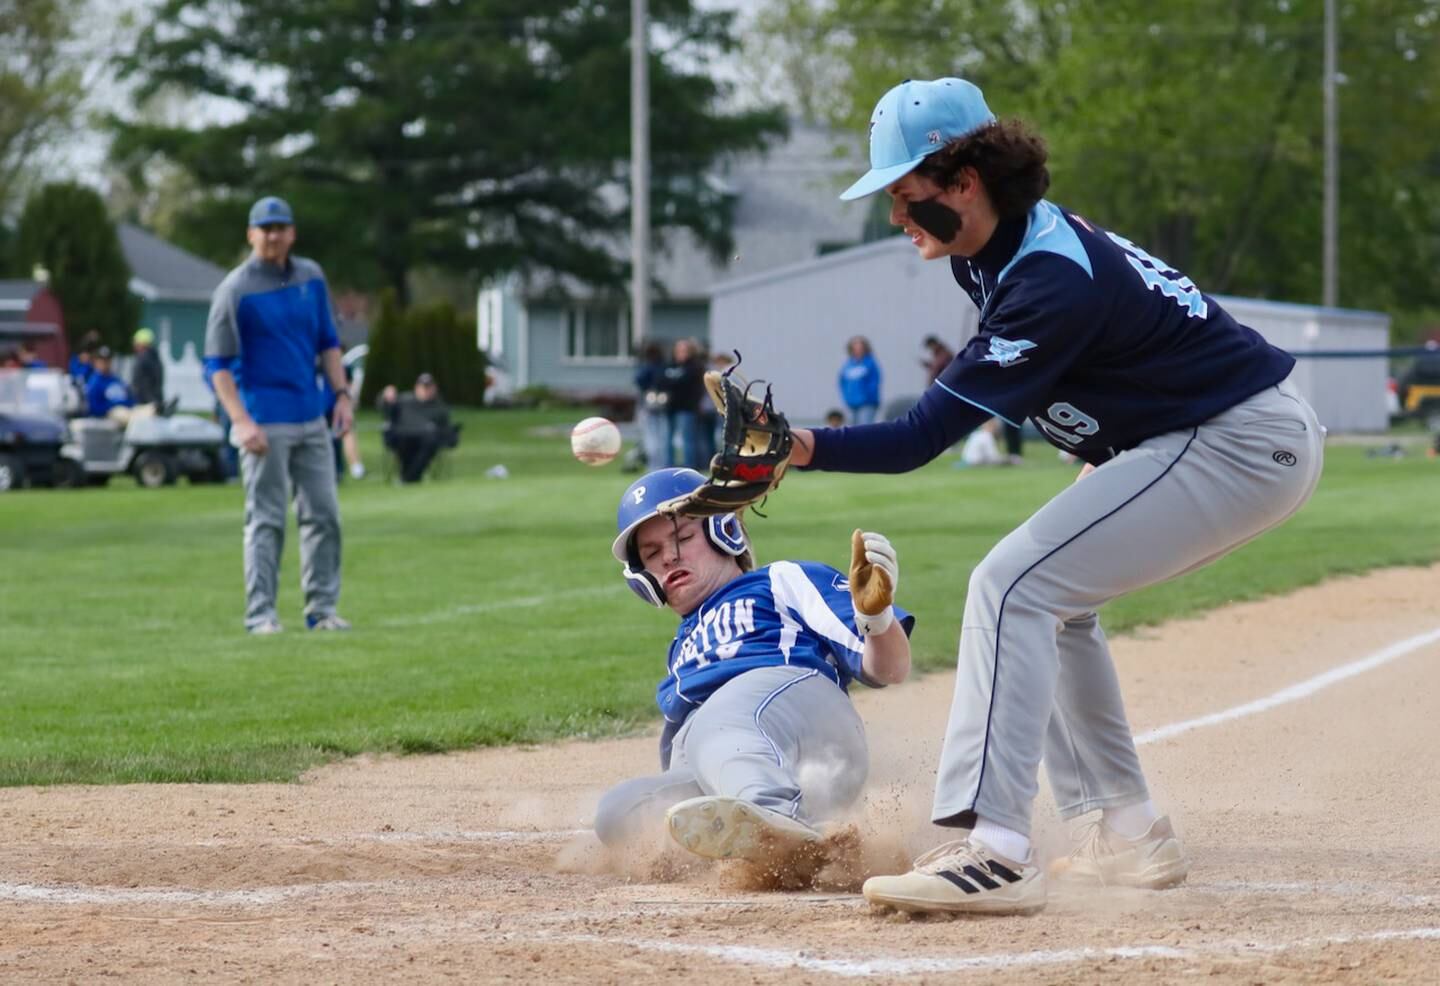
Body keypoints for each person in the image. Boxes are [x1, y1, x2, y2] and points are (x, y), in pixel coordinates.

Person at [774, 77, 1324, 915]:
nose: (896, 218)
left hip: (1236, 440)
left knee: (1011, 585)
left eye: (905, 196)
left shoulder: (1045, 279)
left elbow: (920, 437)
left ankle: (994, 848)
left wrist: (798, 446)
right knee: (1053, 600)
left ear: (965, 183)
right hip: (1213, 435)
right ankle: (1133, 831)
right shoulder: (997, 252)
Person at [594, 467, 913, 867]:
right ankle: (795, 843)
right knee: (620, 810)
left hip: (803, 720)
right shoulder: (681, 649)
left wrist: (876, 619)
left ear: (724, 531)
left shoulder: (779, 580)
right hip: (741, 760)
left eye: (684, 537)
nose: (670, 556)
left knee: (720, 722)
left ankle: (778, 823)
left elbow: (890, 669)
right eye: (653, 553)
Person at [204, 195, 352, 635]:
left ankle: (321, 610)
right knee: (267, 519)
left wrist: (341, 394)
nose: (273, 236)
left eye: (280, 227)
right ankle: (261, 615)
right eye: (264, 228)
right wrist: (240, 420)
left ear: (292, 233)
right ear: (251, 234)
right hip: (264, 420)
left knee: (324, 514)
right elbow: (216, 365)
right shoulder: (235, 289)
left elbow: (328, 342)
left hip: (311, 416)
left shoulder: (311, 277)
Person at [378, 373, 456, 484]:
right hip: (403, 436)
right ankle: (408, 477)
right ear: (416, 387)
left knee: (430, 442)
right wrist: (386, 399)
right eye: (423, 387)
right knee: (403, 440)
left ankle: (409, 477)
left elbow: (445, 428)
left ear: (434, 388)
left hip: (427, 439)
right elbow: (387, 411)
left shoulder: (439, 406)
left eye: (428, 387)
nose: (426, 391)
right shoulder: (403, 400)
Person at [661, 338, 705, 470]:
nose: (681, 353)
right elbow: (661, 381)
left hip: (687, 408)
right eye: (678, 350)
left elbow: (687, 384)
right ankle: (668, 467)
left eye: (684, 350)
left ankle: (689, 467)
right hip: (671, 407)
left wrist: (674, 381)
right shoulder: (670, 365)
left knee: (688, 440)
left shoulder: (695, 367)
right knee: (668, 438)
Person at [634, 341, 670, 468]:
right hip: (662, 403)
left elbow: (638, 380)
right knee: (662, 437)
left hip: (649, 404)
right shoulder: (665, 367)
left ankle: (653, 465)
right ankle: (661, 464)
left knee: (651, 437)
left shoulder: (646, 367)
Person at [838, 336, 882, 425]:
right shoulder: (848, 365)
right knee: (851, 429)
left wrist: (866, 396)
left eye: (860, 348)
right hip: (851, 403)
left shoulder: (870, 363)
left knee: (864, 427)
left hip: (867, 403)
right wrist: (846, 397)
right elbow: (842, 382)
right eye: (855, 347)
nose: (857, 350)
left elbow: (874, 383)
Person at [84, 347, 137, 421]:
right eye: (102, 361)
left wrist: (124, 403)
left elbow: (131, 399)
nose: (105, 363)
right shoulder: (94, 382)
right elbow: (94, 408)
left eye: (108, 360)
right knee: (132, 417)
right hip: (109, 415)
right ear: (96, 362)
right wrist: (114, 405)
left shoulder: (116, 380)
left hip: (127, 410)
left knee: (150, 411)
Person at [129, 327, 165, 407]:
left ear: (143, 344)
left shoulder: (143, 359)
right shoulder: (156, 358)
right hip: (156, 399)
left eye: (137, 343)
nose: (134, 345)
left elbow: (139, 382)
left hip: (145, 401)